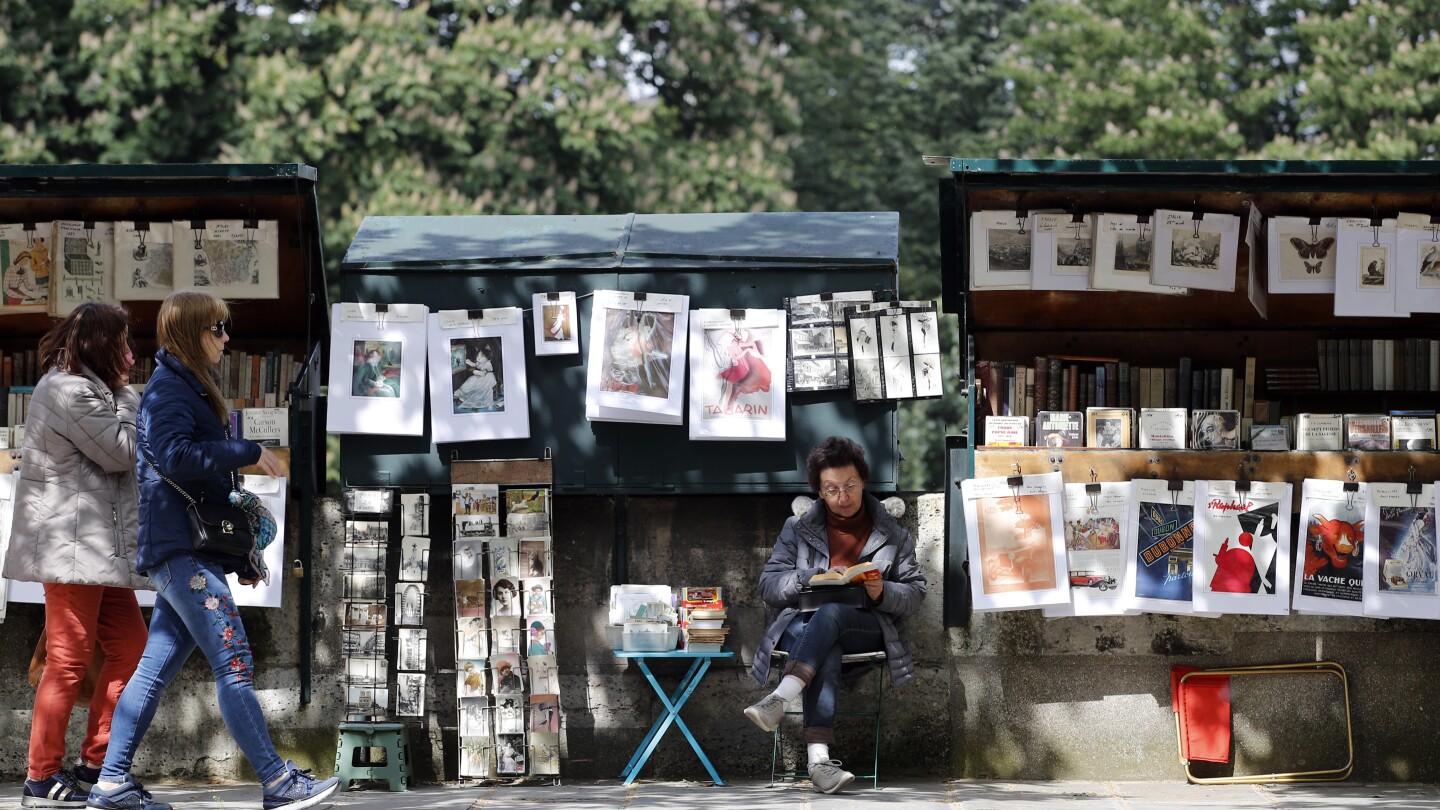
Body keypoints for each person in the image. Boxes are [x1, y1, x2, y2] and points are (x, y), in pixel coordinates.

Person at [90, 291, 337, 810]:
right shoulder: (168, 393)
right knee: (234, 660)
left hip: (184, 550)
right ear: (192, 332)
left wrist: (238, 553)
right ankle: (276, 782)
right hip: (180, 552)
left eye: (227, 328)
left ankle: (111, 783)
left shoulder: (184, 387)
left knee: (153, 672)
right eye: (219, 328)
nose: (227, 338)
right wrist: (250, 451)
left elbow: (202, 487)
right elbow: (179, 459)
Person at [2, 303, 150, 808]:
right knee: (67, 661)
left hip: (94, 548)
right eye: (123, 342)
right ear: (101, 344)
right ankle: (40, 776)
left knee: (131, 646)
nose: (131, 354)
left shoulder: (85, 387)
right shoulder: (68, 389)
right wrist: (130, 396)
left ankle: (96, 763)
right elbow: (121, 451)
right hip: (70, 546)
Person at [744, 436, 926, 795]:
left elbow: (916, 591)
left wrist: (882, 591)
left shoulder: (892, 532)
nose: (843, 497)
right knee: (826, 638)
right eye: (831, 489)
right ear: (819, 492)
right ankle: (819, 762)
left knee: (831, 618)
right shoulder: (796, 528)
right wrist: (804, 578)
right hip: (804, 625)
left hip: (866, 625)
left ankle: (780, 697)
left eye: (850, 486)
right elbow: (768, 585)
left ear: (863, 481)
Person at [453, 344, 497, 411]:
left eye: (481, 356)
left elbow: (482, 373)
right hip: (478, 377)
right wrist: (469, 362)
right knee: (466, 385)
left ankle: (488, 403)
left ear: (487, 358)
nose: (478, 358)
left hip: (486, 378)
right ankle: (461, 395)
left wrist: (474, 371)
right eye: (478, 356)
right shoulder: (480, 362)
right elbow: (476, 365)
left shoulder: (487, 364)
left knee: (485, 391)